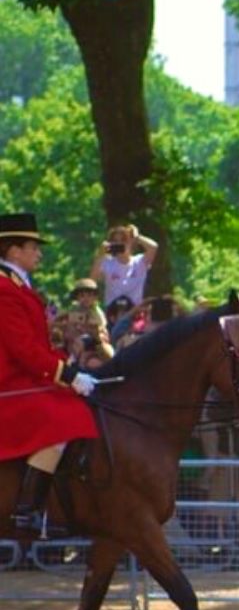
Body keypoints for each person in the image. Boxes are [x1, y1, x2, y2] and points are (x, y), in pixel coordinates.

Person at [0, 213, 98, 536]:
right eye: (33, 247)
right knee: (62, 417)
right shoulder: (4, 287)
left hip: (27, 378)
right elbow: (22, 348)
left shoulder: (18, 285)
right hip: (10, 384)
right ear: (14, 251)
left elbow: (37, 346)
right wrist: (66, 374)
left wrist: (71, 367)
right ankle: (27, 509)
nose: (39, 253)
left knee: (73, 405)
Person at [89, 223, 158, 307]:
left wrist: (137, 237)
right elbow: (92, 280)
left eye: (123, 240)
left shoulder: (140, 261)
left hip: (134, 312)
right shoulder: (107, 262)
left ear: (131, 242)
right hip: (113, 313)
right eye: (116, 241)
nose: (120, 243)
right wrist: (100, 255)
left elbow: (153, 247)